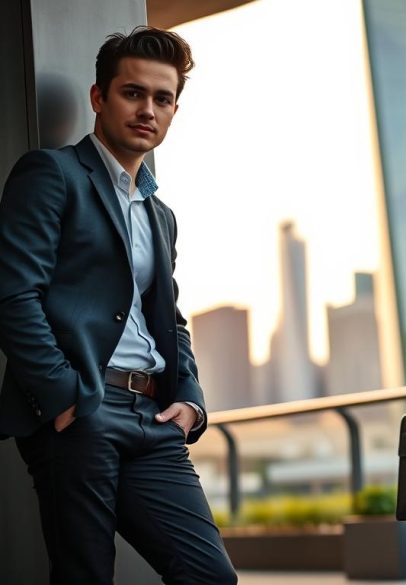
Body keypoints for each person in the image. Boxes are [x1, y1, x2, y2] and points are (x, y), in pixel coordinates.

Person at [0, 26, 237, 584]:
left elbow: (169, 321)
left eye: (162, 98)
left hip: (153, 416)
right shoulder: (52, 175)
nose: (147, 109)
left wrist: (191, 398)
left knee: (211, 576)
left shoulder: (160, 215)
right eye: (133, 93)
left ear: (174, 110)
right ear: (99, 97)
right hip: (82, 409)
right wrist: (63, 394)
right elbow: (13, 294)